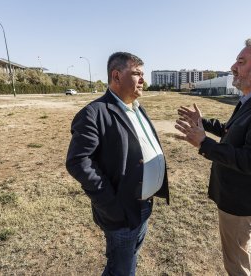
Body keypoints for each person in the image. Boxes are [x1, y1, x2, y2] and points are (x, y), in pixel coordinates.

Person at [175, 38, 251, 276]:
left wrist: (204, 143)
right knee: (240, 252)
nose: (233, 67)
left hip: (241, 202)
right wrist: (202, 123)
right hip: (233, 196)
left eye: (241, 61)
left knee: (235, 261)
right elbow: (231, 130)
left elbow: (250, 160)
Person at [66, 52, 169, 275]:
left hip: (143, 206)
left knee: (126, 261)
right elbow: (77, 161)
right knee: (121, 269)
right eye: (136, 74)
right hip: (121, 212)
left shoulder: (137, 108)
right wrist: (111, 205)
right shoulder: (94, 113)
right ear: (116, 76)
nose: (143, 79)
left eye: (143, 74)